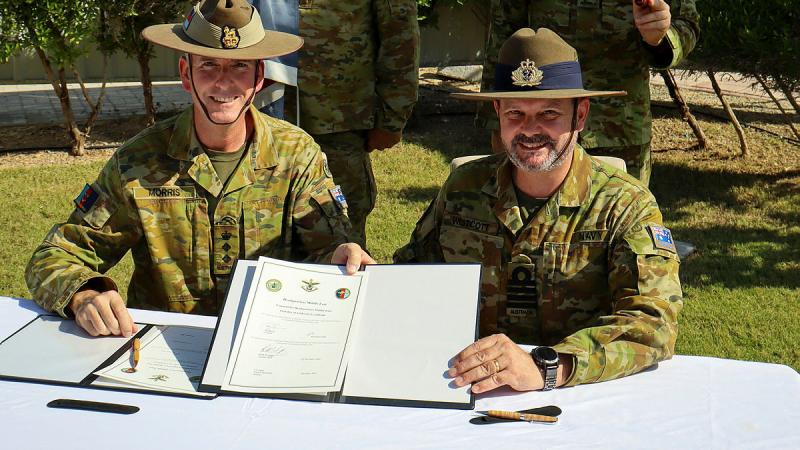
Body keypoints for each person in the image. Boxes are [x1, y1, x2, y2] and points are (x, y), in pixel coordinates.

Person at [24, 0, 371, 339]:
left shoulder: (296, 154)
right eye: (208, 65)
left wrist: (341, 255)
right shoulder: (139, 162)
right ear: (185, 74)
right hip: (163, 346)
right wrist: (84, 296)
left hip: (268, 342)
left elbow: (329, 249)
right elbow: (56, 255)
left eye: (239, 67)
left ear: (259, 77)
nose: (223, 83)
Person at [393, 28, 683, 393]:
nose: (530, 130)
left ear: (580, 115)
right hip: (467, 387)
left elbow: (652, 324)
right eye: (516, 112)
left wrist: (549, 368)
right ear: (497, 111)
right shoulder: (463, 188)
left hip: (577, 392)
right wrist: (364, 276)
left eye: (548, 113)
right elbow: (412, 278)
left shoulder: (624, 205)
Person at [250, 0, 420, 249]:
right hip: (254, 116)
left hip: (336, 124)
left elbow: (399, 29)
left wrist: (392, 117)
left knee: (340, 236)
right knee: (256, 230)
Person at [477, 0, 700, 186]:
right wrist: (497, 122)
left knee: (621, 220)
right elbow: (503, 32)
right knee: (531, 224)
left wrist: (660, 37)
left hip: (619, 126)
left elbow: (687, 25)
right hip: (537, 124)